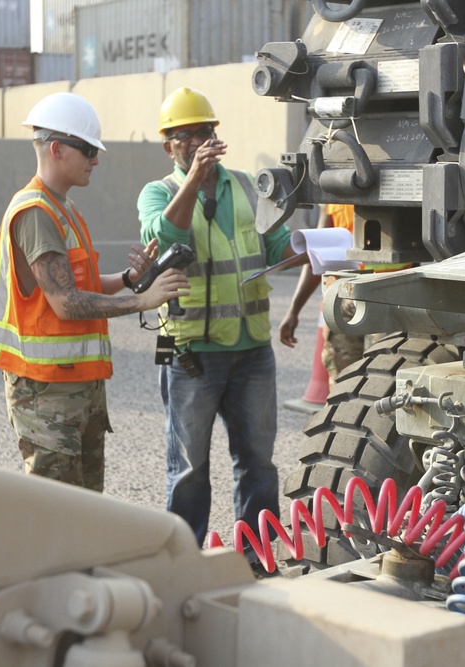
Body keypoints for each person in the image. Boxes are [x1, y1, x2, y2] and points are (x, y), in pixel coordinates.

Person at [0, 91, 189, 493]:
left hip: (75, 391)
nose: (96, 159)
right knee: (59, 513)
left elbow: (79, 286)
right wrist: (144, 300)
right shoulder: (37, 212)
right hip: (47, 395)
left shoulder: (63, 208)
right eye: (89, 149)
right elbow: (66, 302)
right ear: (57, 148)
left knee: (87, 508)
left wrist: (128, 279)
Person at [136, 86, 298, 547]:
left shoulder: (246, 186)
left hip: (252, 351)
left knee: (259, 461)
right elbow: (166, 233)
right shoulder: (157, 192)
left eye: (204, 131)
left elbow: (276, 246)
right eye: (184, 136)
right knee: (188, 468)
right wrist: (194, 180)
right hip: (192, 354)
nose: (196, 142)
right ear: (168, 145)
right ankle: (184, 560)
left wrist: (318, 251)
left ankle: (257, 554)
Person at [278, 203, 365, 387]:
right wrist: (294, 310)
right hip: (342, 304)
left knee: (386, 382)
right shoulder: (333, 191)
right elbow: (318, 255)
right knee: (342, 386)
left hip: (387, 302)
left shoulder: (400, 182)